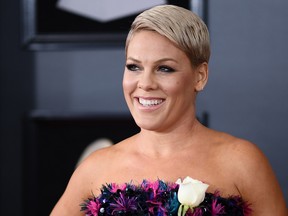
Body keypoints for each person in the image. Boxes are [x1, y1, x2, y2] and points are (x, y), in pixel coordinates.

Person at [51, 5, 287, 216]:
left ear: (200, 76)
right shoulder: (96, 168)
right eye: (134, 67)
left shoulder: (242, 161)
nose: (145, 83)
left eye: (164, 68)